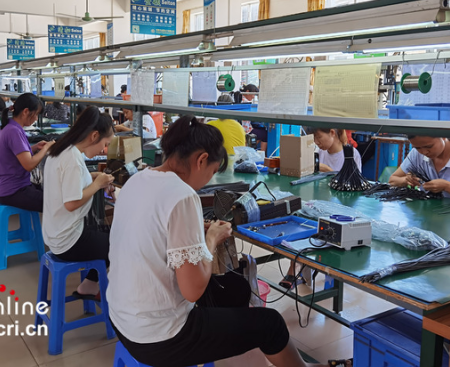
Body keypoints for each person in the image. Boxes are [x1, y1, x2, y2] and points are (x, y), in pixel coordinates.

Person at [107, 116, 332, 367]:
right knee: (272, 324)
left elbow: (153, 229)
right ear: (201, 159)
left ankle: (245, 353)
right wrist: (210, 239)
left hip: (122, 317)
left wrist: (193, 230)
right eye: (212, 172)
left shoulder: (138, 179)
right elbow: (192, 292)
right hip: (160, 337)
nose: (209, 181)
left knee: (236, 288)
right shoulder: (182, 196)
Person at [43, 107, 115, 299]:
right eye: (105, 144)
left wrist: (94, 177)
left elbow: (69, 182)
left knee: (109, 234)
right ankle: (97, 287)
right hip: (68, 241)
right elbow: (72, 203)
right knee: (120, 241)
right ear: (94, 136)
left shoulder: (62, 149)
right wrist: (98, 183)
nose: (103, 150)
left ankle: (89, 285)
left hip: (54, 233)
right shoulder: (72, 159)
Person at [279, 127, 362, 290]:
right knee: (301, 224)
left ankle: (321, 277)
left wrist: (329, 172)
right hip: (317, 206)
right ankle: (297, 270)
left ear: (332, 132)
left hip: (339, 211)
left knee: (323, 231)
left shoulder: (350, 155)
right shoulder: (319, 152)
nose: (317, 142)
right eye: (314, 139)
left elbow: (353, 189)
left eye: (319, 138)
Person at [0, 93, 54, 212]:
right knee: (57, 203)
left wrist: (36, 147)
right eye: (36, 114)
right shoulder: (14, 131)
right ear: (26, 111)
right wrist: (46, 149)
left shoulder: (9, 126)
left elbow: (17, 155)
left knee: (51, 192)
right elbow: (29, 165)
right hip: (13, 191)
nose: (36, 118)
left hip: (7, 187)